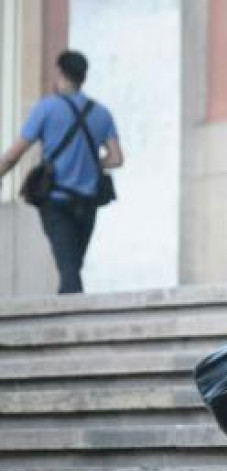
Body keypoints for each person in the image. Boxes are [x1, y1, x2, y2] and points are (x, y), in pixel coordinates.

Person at [0, 50, 123, 294]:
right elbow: (116, 158)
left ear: (60, 73)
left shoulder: (46, 108)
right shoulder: (101, 113)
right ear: (83, 77)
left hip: (56, 202)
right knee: (72, 265)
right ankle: (69, 317)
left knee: (69, 268)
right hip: (88, 204)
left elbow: (15, 153)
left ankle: (71, 324)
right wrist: (91, 163)